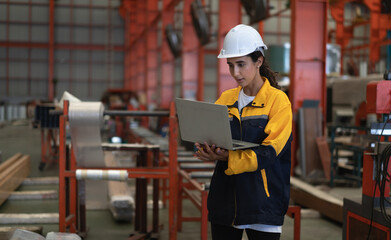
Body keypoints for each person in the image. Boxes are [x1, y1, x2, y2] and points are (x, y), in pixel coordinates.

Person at [195, 24, 292, 240]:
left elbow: (270, 153)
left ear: (258, 61)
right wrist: (205, 147)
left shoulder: (278, 102)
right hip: (225, 202)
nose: (235, 73)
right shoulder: (226, 99)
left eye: (241, 64)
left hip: (262, 203)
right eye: (230, 65)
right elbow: (211, 135)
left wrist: (230, 157)